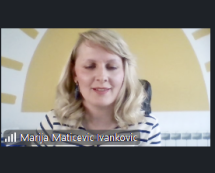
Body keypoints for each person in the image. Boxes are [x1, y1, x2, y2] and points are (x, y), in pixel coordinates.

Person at [32, 29, 161, 146]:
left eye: (112, 67)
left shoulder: (146, 127)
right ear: (74, 74)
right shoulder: (53, 123)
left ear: (125, 74)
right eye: (89, 66)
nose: (102, 77)